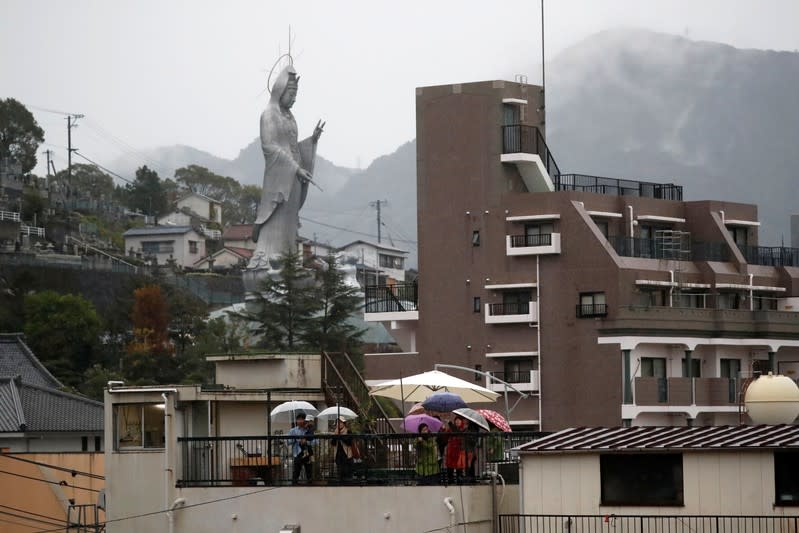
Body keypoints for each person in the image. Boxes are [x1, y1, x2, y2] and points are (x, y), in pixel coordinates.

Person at [249, 63, 324, 269]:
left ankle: (291, 262)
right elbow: (270, 147)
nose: (294, 99)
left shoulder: (291, 118)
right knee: (277, 220)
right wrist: (294, 167)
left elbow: (294, 148)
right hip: (279, 179)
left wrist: (312, 141)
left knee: (290, 224)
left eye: (296, 95)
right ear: (280, 90)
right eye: (291, 94)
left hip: (294, 179)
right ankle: (269, 260)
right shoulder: (268, 115)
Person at [288, 411, 314, 484]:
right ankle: (294, 485)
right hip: (298, 452)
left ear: (305, 420)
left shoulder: (308, 429)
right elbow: (289, 441)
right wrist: (296, 440)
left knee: (309, 471)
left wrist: (306, 441)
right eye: (298, 419)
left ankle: (310, 486)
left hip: (307, 452)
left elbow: (313, 441)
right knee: (296, 471)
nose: (299, 421)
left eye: (301, 419)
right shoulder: (293, 430)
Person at [332, 417, 358, 483]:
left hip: (347, 455)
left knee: (348, 474)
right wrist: (336, 436)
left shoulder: (348, 431)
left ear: (344, 423)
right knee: (340, 473)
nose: (339, 424)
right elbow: (333, 443)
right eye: (338, 422)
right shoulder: (335, 432)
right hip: (338, 455)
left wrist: (340, 436)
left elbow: (349, 442)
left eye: (340, 422)